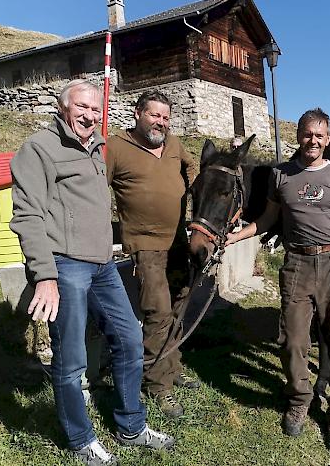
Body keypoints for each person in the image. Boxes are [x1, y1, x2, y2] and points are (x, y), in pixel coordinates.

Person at [10, 80, 174, 466]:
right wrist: (44, 275)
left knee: (130, 338)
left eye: (96, 109)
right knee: (71, 357)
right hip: (64, 264)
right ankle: (80, 439)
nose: (89, 115)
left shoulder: (97, 149)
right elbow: (27, 215)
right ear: (63, 107)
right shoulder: (40, 148)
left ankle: (131, 426)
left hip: (102, 264)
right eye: (82, 107)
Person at [226, 108, 330, 453]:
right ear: (299, 135)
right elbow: (267, 220)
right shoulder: (281, 175)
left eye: (319, 135)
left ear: (328, 138)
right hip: (297, 263)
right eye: (307, 134)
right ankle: (299, 400)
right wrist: (233, 237)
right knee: (292, 341)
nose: (312, 141)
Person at [106, 90, 198, 418]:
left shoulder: (173, 144)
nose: (160, 122)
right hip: (146, 246)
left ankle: (171, 366)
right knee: (157, 313)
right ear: (137, 113)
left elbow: (192, 168)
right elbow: (96, 185)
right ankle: (158, 385)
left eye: (165, 117)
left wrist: (189, 192)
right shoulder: (116, 147)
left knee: (178, 306)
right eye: (154, 115)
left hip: (178, 241)